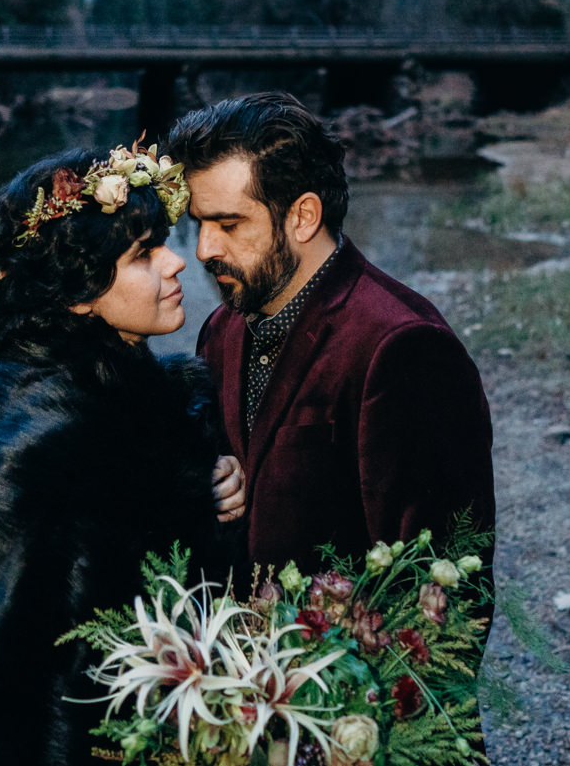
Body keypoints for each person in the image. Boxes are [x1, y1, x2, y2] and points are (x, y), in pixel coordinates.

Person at [0, 144, 243, 766]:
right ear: (78, 294)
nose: (177, 263)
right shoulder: (44, 448)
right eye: (143, 254)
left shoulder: (132, 400)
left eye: (163, 242)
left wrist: (209, 481)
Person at [166, 91, 495, 582]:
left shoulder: (404, 347)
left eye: (229, 224)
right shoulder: (221, 329)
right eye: (200, 224)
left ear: (303, 216)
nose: (205, 249)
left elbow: (444, 584)